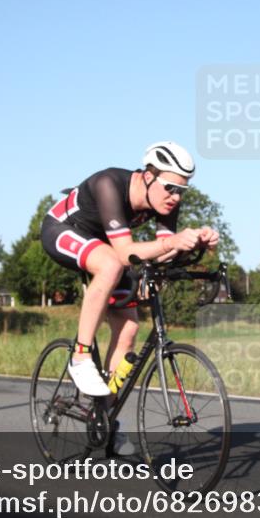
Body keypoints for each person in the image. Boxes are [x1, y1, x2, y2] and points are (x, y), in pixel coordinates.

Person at [40, 141, 219, 396]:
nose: (176, 197)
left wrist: (194, 243)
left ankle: (106, 422)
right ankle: (80, 357)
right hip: (63, 229)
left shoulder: (167, 201)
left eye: (182, 190)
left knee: (129, 328)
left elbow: (163, 254)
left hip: (105, 245)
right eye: (170, 188)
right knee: (111, 265)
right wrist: (174, 241)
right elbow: (125, 253)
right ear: (148, 176)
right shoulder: (109, 184)